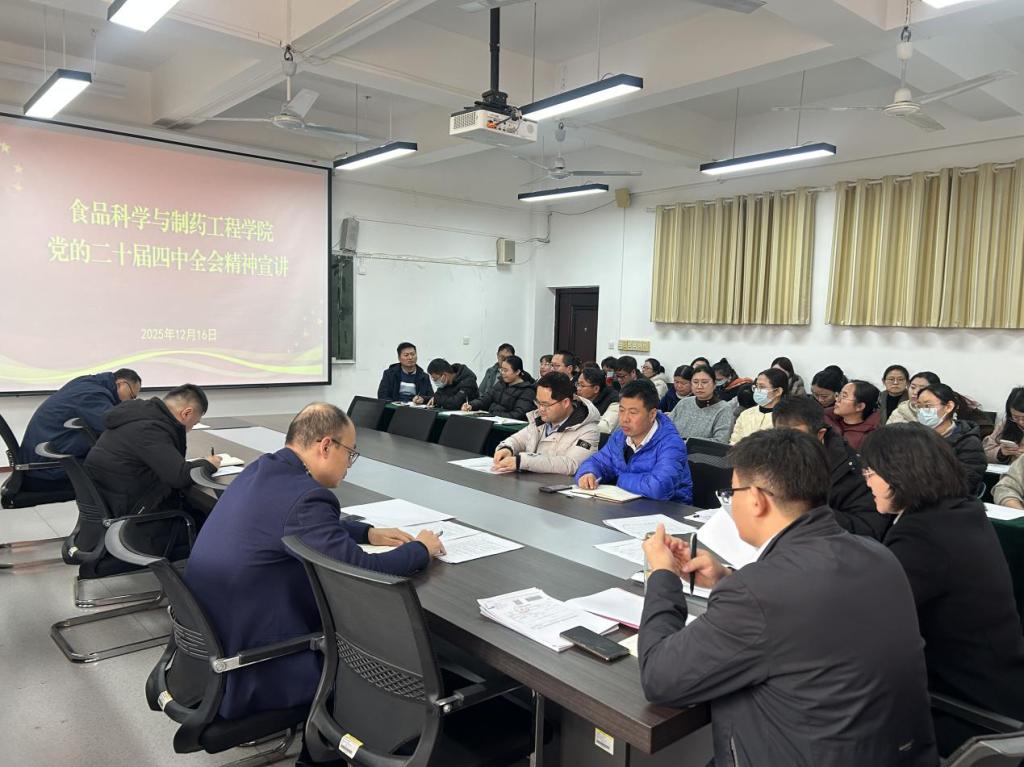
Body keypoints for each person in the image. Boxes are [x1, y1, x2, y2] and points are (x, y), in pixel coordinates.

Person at [638, 428, 937, 767]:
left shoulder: (760, 592)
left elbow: (660, 679)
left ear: (756, 499)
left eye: (731, 492)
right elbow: (810, 616)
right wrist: (727, 578)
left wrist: (662, 575)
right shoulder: (879, 556)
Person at [184, 403, 444, 725]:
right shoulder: (306, 497)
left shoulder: (264, 469)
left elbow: (293, 522)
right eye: (350, 453)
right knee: (378, 638)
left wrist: (367, 532)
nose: (349, 465)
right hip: (253, 663)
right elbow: (361, 572)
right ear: (326, 446)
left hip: (212, 643)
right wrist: (421, 549)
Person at [860, 424, 1024, 756]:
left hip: (967, 710)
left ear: (899, 474)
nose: (866, 481)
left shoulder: (922, 534)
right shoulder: (959, 511)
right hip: (1002, 685)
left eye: (871, 472)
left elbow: (872, 618)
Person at [85, 384, 218, 519]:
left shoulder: (139, 415)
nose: (190, 429)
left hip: (117, 498)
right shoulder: (150, 429)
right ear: (186, 413)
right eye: (194, 424)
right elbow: (179, 477)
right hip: (138, 512)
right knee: (209, 515)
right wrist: (208, 464)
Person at [772, 396, 888, 540]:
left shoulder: (852, 470)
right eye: (781, 436)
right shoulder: (768, 455)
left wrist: (806, 511)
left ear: (820, 434)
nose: (788, 445)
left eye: (797, 437)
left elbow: (868, 528)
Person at [18, 368, 142, 492]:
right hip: (46, 471)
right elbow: (116, 429)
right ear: (121, 384)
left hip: (41, 462)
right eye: (132, 396)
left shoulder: (87, 384)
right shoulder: (92, 395)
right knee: (124, 474)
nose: (130, 401)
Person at [576, 380, 692, 503]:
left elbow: (659, 488)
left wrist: (620, 479)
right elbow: (598, 461)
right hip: (627, 505)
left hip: (668, 510)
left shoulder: (672, 444)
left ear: (652, 414)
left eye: (633, 412)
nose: (624, 419)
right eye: (621, 410)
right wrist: (589, 473)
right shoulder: (620, 436)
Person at [492, 372, 600, 475]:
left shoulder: (588, 430)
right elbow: (518, 439)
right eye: (538, 403)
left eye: (546, 404)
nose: (541, 409)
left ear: (565, 402)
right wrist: (507, 448)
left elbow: (571, 464)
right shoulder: (541, 420)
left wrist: (522, 461)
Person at [915, 383, 987, 495]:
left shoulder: (968, 442)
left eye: (928, 406)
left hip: (947, 499)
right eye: (919, 406)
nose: (922, 411)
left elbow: (965, 483)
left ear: (948, 407)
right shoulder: (914, 436)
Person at [670, 365, 734, 443]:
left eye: (704, 382)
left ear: (714, 384)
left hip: (701, 451)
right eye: (695, 382)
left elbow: (721, 441)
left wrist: (687, 442)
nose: (699, 386)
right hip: (672, 447)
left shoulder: (723, 409)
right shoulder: (684, 403)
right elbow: (666, 427)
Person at [463, 354, 535, 420]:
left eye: (506, 370)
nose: (502, 373)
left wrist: (493, 415)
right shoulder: (500, 384)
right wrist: (472, 405)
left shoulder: (527, 391)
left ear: (517, 372)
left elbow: (518, 414)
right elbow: (486, 398)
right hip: (492, 420)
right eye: (501, 369)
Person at [730, 368, 788, 445]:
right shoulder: (745, 414)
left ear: (778, 391)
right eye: (756, 387)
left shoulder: (787, 418)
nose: (757, 390)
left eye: (762, 387)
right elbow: (734, 442)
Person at [824, 380, 881, 452]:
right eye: (839, 395)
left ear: (859, 406)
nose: (837, 400)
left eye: (844, 396)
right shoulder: (827, 418)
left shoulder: (868, 438)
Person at [983, 386, 1024, 464]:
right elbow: (986, 450)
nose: (1020, 422)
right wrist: (1001, 453)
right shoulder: (1006, 424)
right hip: (1009, 470)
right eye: (1016, 417)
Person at [575, 366, 620, 434]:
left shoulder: (614, 401)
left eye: (582, 385)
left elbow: (605, 427)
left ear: (596, 389)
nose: (578, 388)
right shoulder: (581, 400)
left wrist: (578, 427)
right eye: (578, 384)